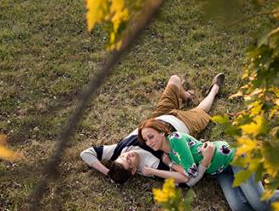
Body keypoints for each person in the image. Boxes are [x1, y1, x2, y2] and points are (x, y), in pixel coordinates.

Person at [136, 118, 279, 211]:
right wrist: (171, 164)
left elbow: (191, 175)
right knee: (239, 207)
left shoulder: (175, 139)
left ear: (162, 132)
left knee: (260, 205)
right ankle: (271, 198)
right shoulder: (169, 153)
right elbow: (186, 175)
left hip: (234, 158)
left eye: (151, 136)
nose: (149, 142)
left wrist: (173, 166)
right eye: (146, 140)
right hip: (221, 171)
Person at [80, 73, 225, 183]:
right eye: (128, 161)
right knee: (202, 110)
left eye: (122, 157)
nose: (127, 155)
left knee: (175, 79)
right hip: (184, 124)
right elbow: (187, 179)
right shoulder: (152, 165)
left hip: (157, 118)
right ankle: (214, 89)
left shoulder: (118, 150)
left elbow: (86, 154)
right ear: (134, 170)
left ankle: (186, 96)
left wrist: (108, 173)